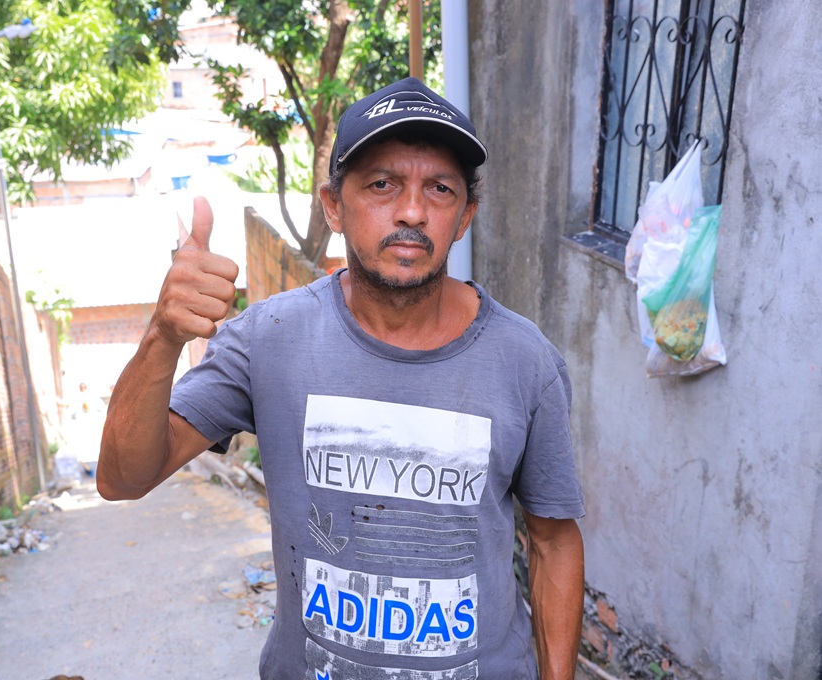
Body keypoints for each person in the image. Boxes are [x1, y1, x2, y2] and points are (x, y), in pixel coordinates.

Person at [98, 77, 585, 680]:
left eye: (440, 189)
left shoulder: (524, 360)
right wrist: (162, 336)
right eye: (382, 184)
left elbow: (553, 541)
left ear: (465, 217)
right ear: (333, 206)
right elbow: (122, 478)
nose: (412, 211)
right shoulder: (268, 339)